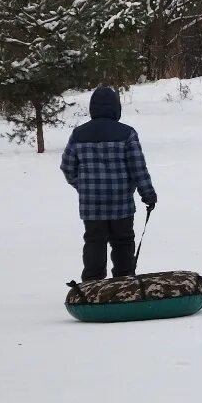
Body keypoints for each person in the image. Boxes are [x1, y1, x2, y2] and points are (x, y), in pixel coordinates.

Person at [61, 86, 157, 280]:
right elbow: (138, 168)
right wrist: (148, 195)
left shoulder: (78, 134)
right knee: (123, 244)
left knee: (94, 244)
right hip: (121, 204)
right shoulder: (127, 133)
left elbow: (68, 167)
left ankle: (92, 287)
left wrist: (84, 187)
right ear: (116, 108)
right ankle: (124, 285)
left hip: (91, 206)